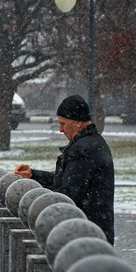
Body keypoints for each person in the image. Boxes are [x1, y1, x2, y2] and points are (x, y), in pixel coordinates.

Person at [14, 94, 115, 244]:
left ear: (79, 122)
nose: (61, 129)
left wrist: (41, 204)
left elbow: (68, 194)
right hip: (95, 230)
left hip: (81, 234)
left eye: (63, 123)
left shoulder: (83, 150)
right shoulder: (93, 142)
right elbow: (68, 180)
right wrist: (33, 175)